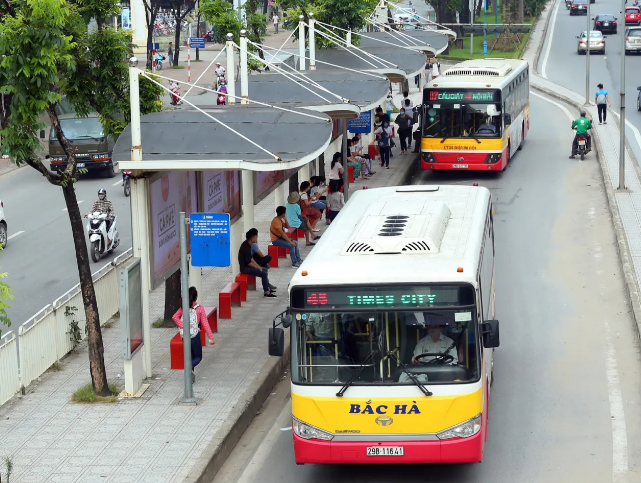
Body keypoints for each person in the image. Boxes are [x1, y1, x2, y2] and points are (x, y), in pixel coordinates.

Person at [172, 286, 215, 382]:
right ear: (196, 297)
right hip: (195, 336)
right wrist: (211, 337)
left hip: (185, 336)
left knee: (190, 356)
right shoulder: (199, 309)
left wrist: (184, 326)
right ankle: (189, 368)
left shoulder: (183, 308)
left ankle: (190, 378)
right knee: (198, 357)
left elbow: (175, 317)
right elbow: (205, 323)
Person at [239, 228, 277, 297]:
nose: (257, 238)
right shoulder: (246, 247)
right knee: (263, 273)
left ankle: (267, 287)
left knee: (264, 269)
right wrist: (257, 267)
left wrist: (258, 266)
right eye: (256, 237)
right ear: (252, 238)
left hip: (248, 265)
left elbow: (251, 258)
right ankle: (266, 292)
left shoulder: (248, 244)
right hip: (245, 268)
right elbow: (248, 262)